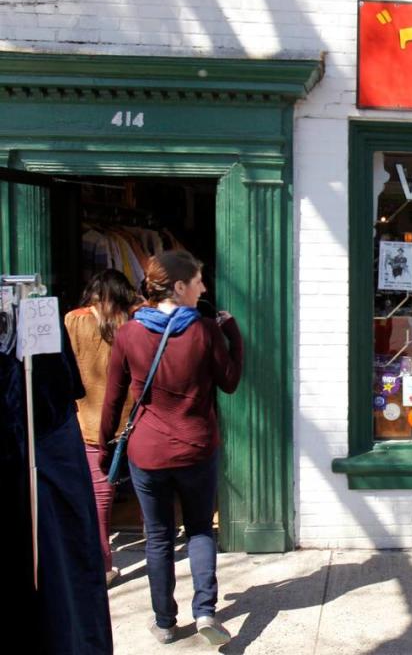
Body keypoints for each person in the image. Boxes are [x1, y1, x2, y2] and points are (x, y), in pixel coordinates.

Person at [99, 250, 243, 646]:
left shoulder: (129, 333)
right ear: (179, 287)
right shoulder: (204, 330)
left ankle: (164, 622)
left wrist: (102, 445)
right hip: (196, 448)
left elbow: (113, 398)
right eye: (198, 281)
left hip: (148, 452)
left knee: (159, 536)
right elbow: (229, 382)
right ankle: (205, 613)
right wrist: (233, 335)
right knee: (199, 530)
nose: (204, 288)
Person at [64, 269, 140, 587]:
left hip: (85, 421)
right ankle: (102, 562)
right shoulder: (129, 324)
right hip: (126, 421)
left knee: (95, 494)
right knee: (128, 489)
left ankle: (100, 561)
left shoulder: (72, 320)